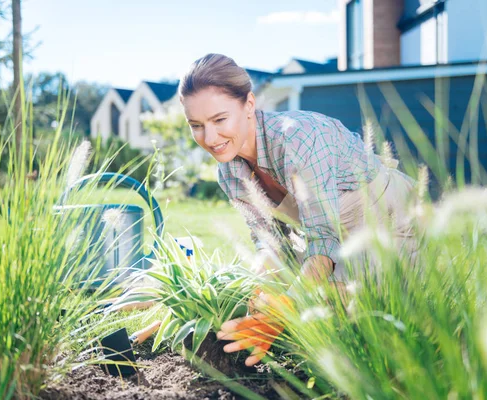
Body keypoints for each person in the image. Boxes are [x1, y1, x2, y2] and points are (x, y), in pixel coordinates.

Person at [178, 53, 418, 366]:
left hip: (392, 222)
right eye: (196, 125)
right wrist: (256, 294)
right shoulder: (230, 171)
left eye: (219, 120)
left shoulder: (297, 139)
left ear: (249, 104)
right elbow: (269, 242)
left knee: (364, 317)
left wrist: (285, 308)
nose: (209, 138)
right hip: (338, 240)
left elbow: (322, 241)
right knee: (313, 312)